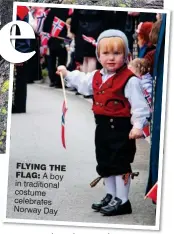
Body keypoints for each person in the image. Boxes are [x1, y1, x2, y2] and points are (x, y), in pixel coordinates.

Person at [57, 30, 150, 216]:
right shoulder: (96, 76)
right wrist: (67, 73)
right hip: (102, 126)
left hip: (121, 128)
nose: (111, 58)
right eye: (106, 53)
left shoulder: (130, 80)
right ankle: (110, 195)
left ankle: (122, 201)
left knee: (120, 164)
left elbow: (140, 105)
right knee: (105, 162)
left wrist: (138, 125)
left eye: (117, 53)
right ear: (98, 55)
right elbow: (82, 81)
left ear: (126, 55)